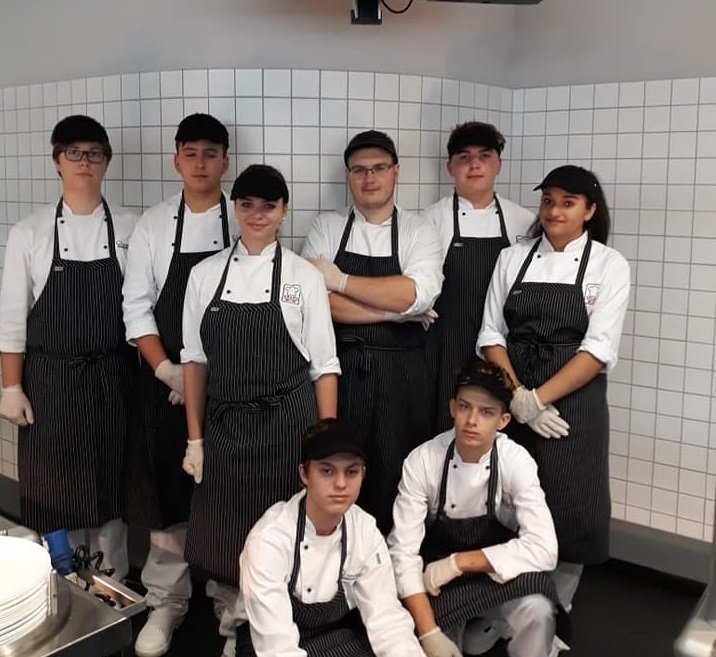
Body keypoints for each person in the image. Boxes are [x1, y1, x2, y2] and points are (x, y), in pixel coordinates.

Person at [181, 164, 340, 657]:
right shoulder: (204, 275)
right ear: (235, 208)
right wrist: (194, 439)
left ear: (283, 211)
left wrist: (326, 443)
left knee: (282, 533)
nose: (257, 214)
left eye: (268, 206)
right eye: (247, 204)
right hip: (225, 426)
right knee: (226, 533)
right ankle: (234, 624)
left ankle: (278, 631)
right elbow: (194, 362)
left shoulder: (301, 276)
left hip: (287, 424)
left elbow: (324, 366)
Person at [478, 165, 630, 617]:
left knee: (570, 503)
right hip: (512, 394)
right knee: (507, 500)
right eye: (548, 201)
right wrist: (518, 397)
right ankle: (501, 610)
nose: (554, 211)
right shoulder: (513, 258)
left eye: (568, 203)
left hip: (573, 404)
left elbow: (597, 349)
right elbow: (491, 334)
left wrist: (539, 399)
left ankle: (554, 610)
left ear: (590, 210)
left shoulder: (608, 264)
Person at [0, 115, 138, 578]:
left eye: (94, 153)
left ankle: (112, 585)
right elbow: (12, 319)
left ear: (106, 162)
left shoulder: (132, 228)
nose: (84, 162)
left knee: (110, 487)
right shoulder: (30, 232)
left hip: (113, 378)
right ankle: (61, 581)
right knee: (53, 490)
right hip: (50, 382)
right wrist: (10, 387)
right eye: (74, 153)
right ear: (57, 160)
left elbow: (142, 307)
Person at [122, 113, 235, 657]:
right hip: (162, 385)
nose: (200, 163)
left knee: (227, 497)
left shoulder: (243, 218)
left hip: (230, 388)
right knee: (169, 496)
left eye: (211, 153)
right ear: (176, 160)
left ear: (225, 161)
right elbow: (137, 307)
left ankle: (231, 605)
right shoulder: (153, 224)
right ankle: (166, 602)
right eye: (190, 153)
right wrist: (169, 370)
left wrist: (210, 382)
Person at [302, 130, 443, 534]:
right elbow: (314, 304)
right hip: (343, 374)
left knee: (401, 476)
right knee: (341, 470)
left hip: (405, 380)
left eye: (379, 168)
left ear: (396, 172)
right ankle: (340, 554)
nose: (369, 178)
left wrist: (340, 280)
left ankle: (397, 559)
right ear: (348, 176)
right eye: (359, 170)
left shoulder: (419, 230)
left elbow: (414, 294)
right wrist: (393, 314)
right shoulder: (327, 226)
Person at [388, 359, 560, 657]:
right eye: (465, 407)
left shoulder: (516, 461)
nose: (471, 420)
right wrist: (429, 633)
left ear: (503, 421)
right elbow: (402, 553)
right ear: (452, 408)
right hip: (441, 583)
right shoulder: (423, 461)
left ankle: (495, 624)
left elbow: (545, 549)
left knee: (539, 610)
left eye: (486, 412)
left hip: (497, 576)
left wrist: (459, 563)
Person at [235, 418, 426, 657]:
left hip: (332, 635)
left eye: (351, 471)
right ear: (304, 474)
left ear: (363, 474)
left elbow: (387, 621)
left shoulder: (365, 531)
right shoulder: (269, 540)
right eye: (327, 471)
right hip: (266, 645)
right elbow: (277, 649)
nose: (341, 484)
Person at [422, 121, 533, 434]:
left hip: (504, 350)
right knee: (448, 431)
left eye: (484, 156)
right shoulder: (429, 221)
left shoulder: (524, 222)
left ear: (498, 164)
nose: (474, 165)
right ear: (450, 167)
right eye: (464, 157)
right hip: (445, 350)